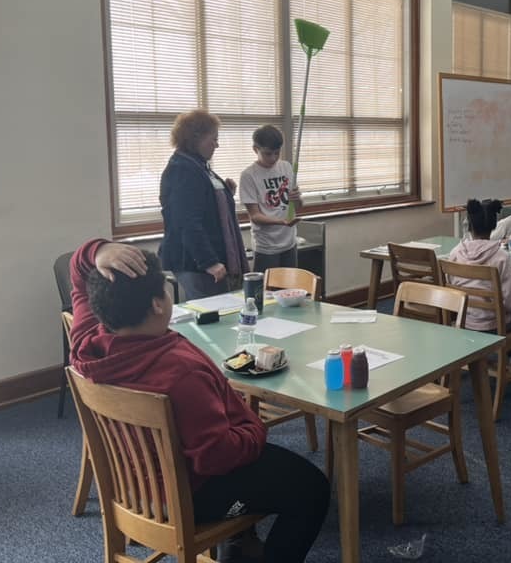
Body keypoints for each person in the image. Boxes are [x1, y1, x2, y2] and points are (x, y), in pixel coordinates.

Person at [68, 239, 329, 563]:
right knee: (312, 488)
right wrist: (254, 429)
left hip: (133, 485)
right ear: (157, 305)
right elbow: (218, 457)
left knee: (269, 466)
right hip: (184, 496)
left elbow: (77, 273)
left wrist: (98, 252)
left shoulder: (85, 346)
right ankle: (241, 536)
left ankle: (238, 539)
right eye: (166, 289)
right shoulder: (181, 374)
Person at [447, 199, 511, 379]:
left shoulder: (455, 253)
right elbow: (510, 303)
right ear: (493, 226)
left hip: (463, 321)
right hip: (493, 325)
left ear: (469, 225)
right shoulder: (501, 256)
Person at [159, 110, 247, 300]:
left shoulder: (197, 165)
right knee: (213, 316)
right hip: (195, 262)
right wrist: (209, 262)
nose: (217, 144)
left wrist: (226, 194)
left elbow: (204, 205)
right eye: (213, 139)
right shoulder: (183, 170)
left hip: (201, 260)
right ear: (195, 137)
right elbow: (187, 222)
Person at [240, 125, 303, 272]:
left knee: (289, 292)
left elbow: (298, 206)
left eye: (277, 153)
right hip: (266, 247)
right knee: (267, 293)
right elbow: (255, 216)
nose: (273, 158)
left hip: (289, 243)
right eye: (268, 154)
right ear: (255, 149)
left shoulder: (287, 167)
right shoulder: (249, 175)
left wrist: (297, 199)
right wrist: (281, 222)